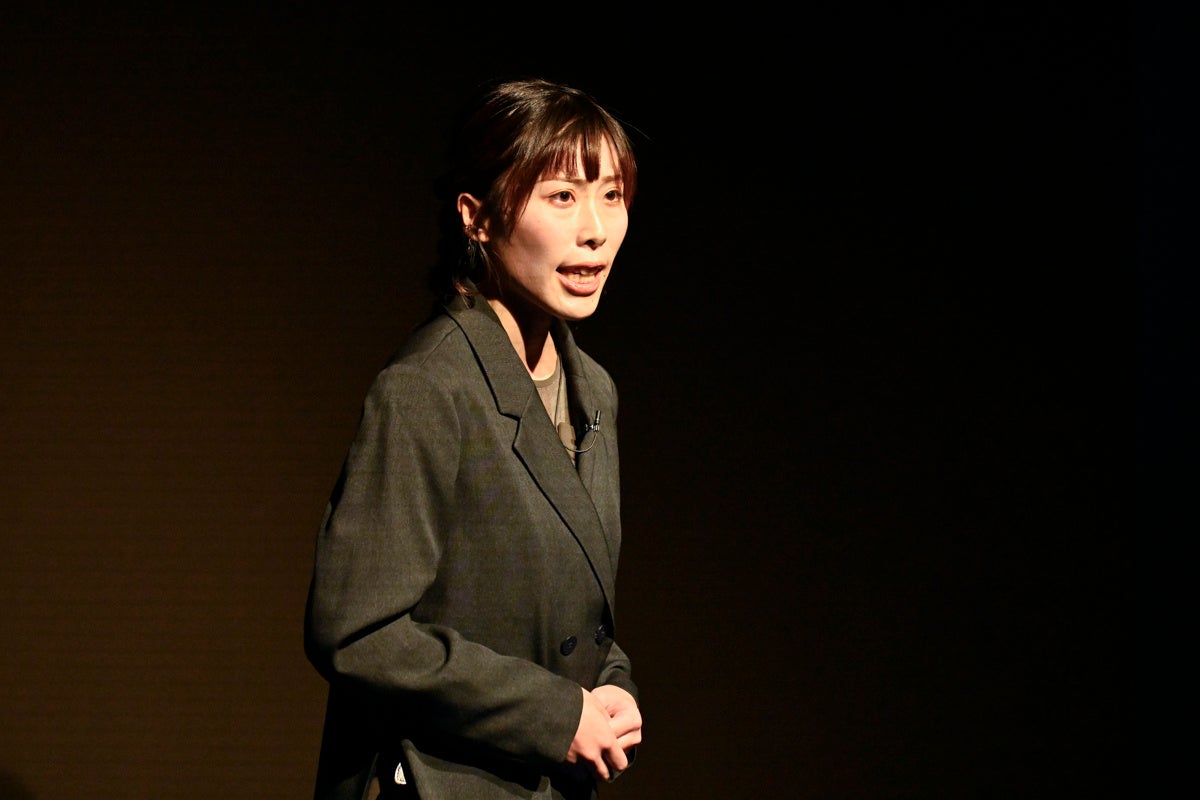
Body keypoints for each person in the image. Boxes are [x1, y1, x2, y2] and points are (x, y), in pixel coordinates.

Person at [303, 78, 643, 800]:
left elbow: (565, 607)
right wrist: (552, 715)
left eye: (611, 195)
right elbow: (357, 632)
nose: (595, 229)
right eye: (562, 196)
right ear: (477, 218)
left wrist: (612, 684)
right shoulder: (430, 387)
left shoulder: (593, 389)